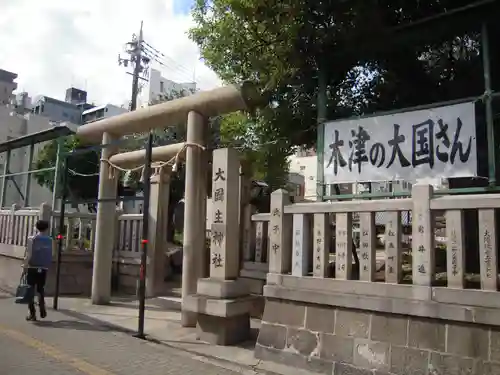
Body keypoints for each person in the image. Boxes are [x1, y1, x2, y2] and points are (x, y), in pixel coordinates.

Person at [23, 220, 53, 321]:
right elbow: (52, 254)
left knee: (30, 289)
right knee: (40, 288)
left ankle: (32, 313)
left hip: (32, 267)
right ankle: (41, 303)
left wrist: (25, 266)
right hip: (44, 267)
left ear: (36, 227)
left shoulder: (32, 239)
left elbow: (29, 254)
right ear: (47, 228)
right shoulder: (50, 240)